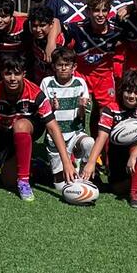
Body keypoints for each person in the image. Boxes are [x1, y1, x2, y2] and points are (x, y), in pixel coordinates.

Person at [0, 54, 75, 202]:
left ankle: (24, 181)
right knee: (8, 181)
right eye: (8, 74)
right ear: (2, 74)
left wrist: (66, 163)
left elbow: (53, 127)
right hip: (6, 135)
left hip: (29, 128)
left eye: (17, 73)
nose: (12, 78)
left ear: (24, 74)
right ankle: (36, 166)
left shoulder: (35, 93)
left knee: (20, 125)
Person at [81, 69, 137, 207]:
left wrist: (134, 155)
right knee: (118, 189)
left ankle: (136, 193)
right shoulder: (111, 108)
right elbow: (101, 137)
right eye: (128, 91)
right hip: (116, 153)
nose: (132, 96)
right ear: (121, 90)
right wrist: (91, 162)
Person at [39, 47, 94, 194]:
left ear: (74, 67)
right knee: (60, 186)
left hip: (75, 133)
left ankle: (83, 173)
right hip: (55, 138)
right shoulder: (46, 82)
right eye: (60, 65)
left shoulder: (80, 83)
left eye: (67, 65)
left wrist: (82, 107)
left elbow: (81, 117)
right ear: (54, 66)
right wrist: (51, 108)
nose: (63, 68)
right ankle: (46, 168)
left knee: (89, 143)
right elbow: (41, 115)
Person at [63, 0, 125, 119]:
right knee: (82, 112)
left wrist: (128, 8)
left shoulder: (117, 30)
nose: (101, 15)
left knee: (106, 114)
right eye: (96, 10)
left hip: (104, 77)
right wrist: (51, 42)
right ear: (88, 11)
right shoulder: (77, 28)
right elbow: (56, 23)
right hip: (82, 74)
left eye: (104, 10)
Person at [24, 3, 63, 82]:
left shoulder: (59, 41)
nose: (38, 30)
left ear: (51, 24)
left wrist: (51, 42)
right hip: (37, 79)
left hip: (56, 81)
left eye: (42, 25)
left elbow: (56, 20)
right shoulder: (28, 28)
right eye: (34, 26)